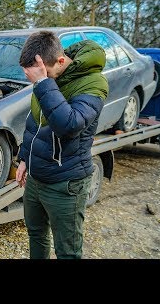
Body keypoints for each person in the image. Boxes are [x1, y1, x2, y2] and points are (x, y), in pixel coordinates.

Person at [15, 30, 109, 259]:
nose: (37, 80)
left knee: (67, 250)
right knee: (36, 234)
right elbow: (34, 121)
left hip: (66, 182)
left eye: (42, 74)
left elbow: (69, 125)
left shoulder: (94, 83)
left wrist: (43, 83)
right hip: (37, 178)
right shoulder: (46, 80)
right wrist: (25, 158)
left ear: (60, 61)